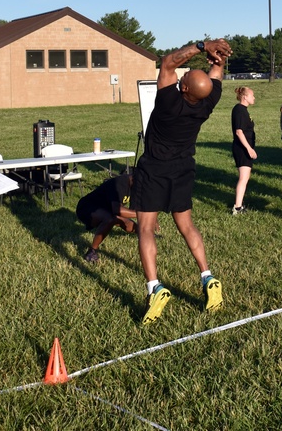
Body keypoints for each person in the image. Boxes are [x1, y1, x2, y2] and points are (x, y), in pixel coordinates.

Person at [132, 39, 232, 325]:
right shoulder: (207, 102)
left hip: (154, 169)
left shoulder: (168, 101)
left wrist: (203, 46)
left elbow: (168, 62)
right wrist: (218, 59)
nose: (183, 74)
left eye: (186, 77)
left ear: (185, 88)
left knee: (147, 228)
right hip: (184, 168)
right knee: (186, 225)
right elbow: (215, 75)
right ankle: (207, 277)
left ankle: (155, 288)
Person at [77, 173, 136, 263]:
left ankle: (148, 234)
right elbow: (118, 210)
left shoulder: (135, 184)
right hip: (87, 208)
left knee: (126, 222)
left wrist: (149, 223)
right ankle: (91, 252)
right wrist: (142, 214)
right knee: (110, 219)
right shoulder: (120, 183)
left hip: (107, 209)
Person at [230, 86, 257, 215]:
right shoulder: (239, 110)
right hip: (242, 148)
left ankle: (238, 205)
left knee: (245, 177)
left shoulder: (243, 110)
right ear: (244, 97)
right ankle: (237, 207)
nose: (254, 98)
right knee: (243, 178)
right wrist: (249, 149)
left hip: (244, 147)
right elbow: (239, 132)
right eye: (252, 95)